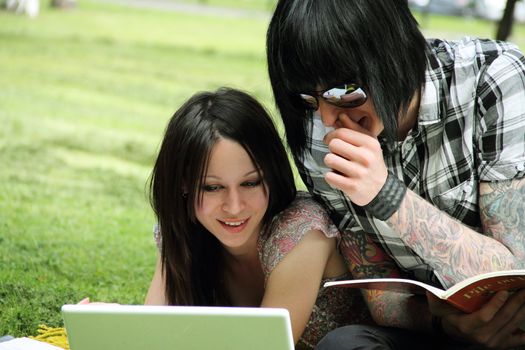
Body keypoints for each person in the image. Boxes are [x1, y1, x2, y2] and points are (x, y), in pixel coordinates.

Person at [266, 0, 525, 349]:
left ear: (394, 55)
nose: (327, 118)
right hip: (439, 331)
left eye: (344, 92)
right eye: (308, 99)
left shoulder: (494, 79)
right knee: (345, 344)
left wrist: (386, 195)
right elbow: (380, 293)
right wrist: (443, 326)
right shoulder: (318, 137)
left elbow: (512, 276)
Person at [143, 87, 380, 349]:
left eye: (251, 183)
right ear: (184, 185)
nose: (234, 207)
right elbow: (152, 332)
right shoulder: (182, 233)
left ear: (271, 174)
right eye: (212, 187)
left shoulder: (301, 230)